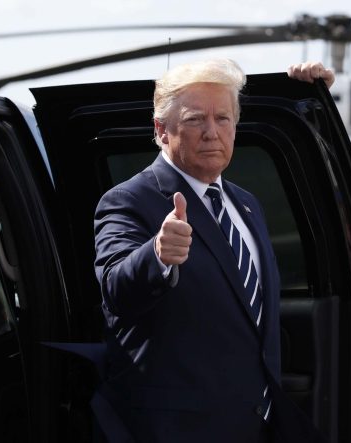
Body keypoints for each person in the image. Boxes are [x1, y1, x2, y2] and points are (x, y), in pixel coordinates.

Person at [92, 59, 333, 442]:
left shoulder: (246, 204)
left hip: (259, 422)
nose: (211, 133)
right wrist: (157, 255)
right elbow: (116, 289)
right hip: (181, 429)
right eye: (194, 120)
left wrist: (315, 103)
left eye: (223, 119)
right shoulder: (127, 200)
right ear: (161, 130)